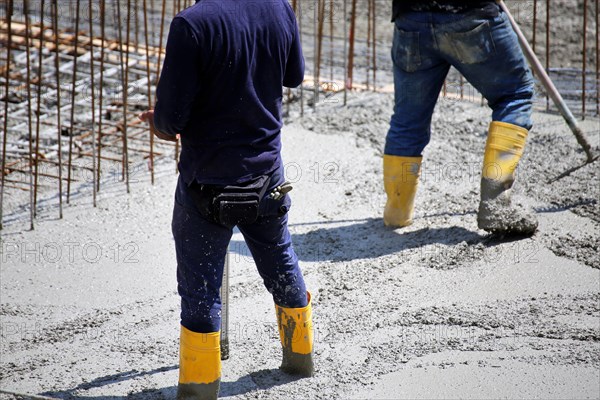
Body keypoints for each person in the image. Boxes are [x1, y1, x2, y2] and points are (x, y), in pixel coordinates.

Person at [139, 1, 313, 399]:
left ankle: (200, 389)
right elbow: (295, 76)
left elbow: (170, 120)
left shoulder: (191, 25)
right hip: (267, 175)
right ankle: (300, 357)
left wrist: (157, 122)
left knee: (200, 289)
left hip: (207, 184)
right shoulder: (279, 8)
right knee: (280, 261)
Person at [384, 0, 538, 235]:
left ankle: (397, 212)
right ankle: (495, 205)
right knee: (514, 94)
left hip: (412, 17)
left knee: (408, 118)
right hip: (470, 15)